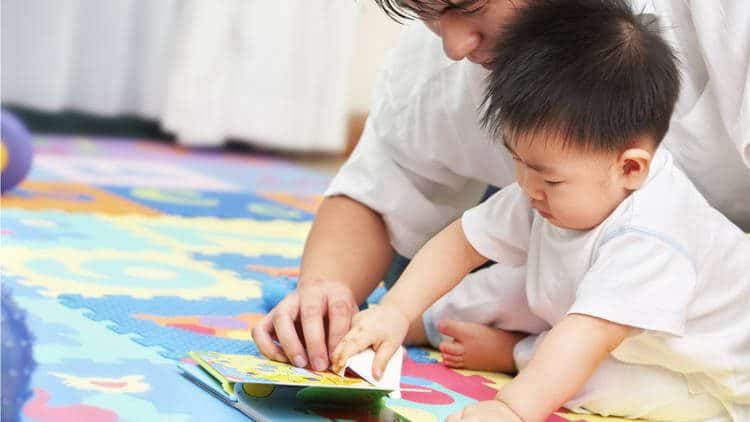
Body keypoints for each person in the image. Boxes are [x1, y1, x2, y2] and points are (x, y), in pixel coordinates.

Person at [252, 0, 750, 379]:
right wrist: (327, 294)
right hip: (560, 239)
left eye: (469, 7)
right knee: (432, 269)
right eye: (429, 16)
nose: (453, 45)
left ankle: (521, 344)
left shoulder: (720, 20)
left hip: (723, 289)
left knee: (653, 374)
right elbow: (375, 194)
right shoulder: (443, 68)